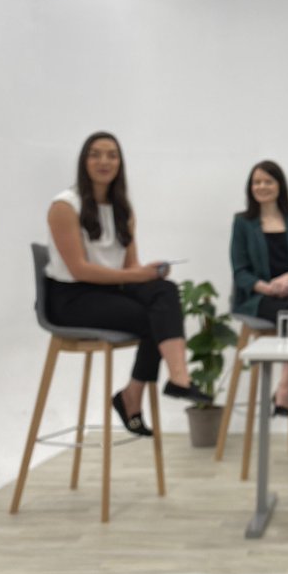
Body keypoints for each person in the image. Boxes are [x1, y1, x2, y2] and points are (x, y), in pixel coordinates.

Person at [45, 132, 210, 437]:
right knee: (154, 317)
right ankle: (135, 395)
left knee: (165, 292)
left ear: (120, 163)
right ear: (84, 161)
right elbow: (79, 270)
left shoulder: (123, 209)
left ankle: (176, 379)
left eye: (112, 155)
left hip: (109, 293)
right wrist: (136, 276)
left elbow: (129, 267)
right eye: (95, 154)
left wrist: (149, 273)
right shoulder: (65, 206)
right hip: (71, 299)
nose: (104, 161)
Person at [230, 160, 288, 416]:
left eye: (268, 181)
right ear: (250, 188)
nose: (262, 186)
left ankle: (282, 387)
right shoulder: (242, 223)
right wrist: (267, 288)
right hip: (259, 296)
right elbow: (240, 272)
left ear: (280, 185)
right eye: (256, 182)